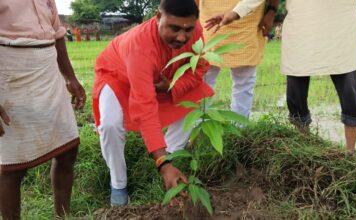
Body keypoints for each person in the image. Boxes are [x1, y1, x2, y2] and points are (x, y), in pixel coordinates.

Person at [92, 0, 214, 206]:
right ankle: (119, 183)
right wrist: (162, 163)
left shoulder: (195, 32)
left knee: (201, 98)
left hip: (161, 80)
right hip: (118, 78)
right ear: (158, 17)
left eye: (188, 29)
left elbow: (199, 68)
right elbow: (145, 109)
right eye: (174, 28)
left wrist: (172, 87)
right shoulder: (140, 48)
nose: (182, 37)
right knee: (110, 125)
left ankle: (172, 155)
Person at [0, 0, 86, 219]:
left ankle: (62, 216)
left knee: (67, 148)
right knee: (12, 165)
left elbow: (57, 35)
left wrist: (70, 77)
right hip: (10, 71)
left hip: (47, 69)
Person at [281, 0, 356, 154]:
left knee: (349, 91)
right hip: (301, 27)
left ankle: (350, 152)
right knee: (295, 90)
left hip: (341, 28)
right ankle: (304, 144)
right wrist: (238, 12)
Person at [199, 0, 279, 118]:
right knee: (204, 76)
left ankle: (239, 127)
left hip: (247, 19)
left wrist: (272, 11)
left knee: (244, 79)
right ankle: (198, 125)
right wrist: (192, 17)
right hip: (208, 17)